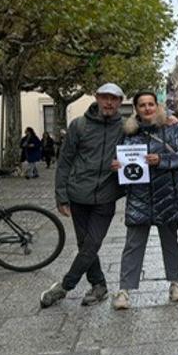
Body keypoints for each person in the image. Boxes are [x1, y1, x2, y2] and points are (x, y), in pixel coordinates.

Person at [41, 83, 128, 308]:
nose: (109, 102)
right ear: (97, 98)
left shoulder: (127, 127)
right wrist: (61, 196)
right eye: (105, 97)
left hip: (106, 196)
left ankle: (64, 287)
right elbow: (65, 161)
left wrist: (169, 119)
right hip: (78, 195)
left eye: (114, 98)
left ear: (120, 102)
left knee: (92, 244)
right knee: (84, 244)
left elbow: (152, 126)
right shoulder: (79, 125)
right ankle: (99, 285)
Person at [111, 91, 178, 310]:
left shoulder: (172, 128)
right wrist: (118, 166)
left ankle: (175, 283)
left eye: (151, 104)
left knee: (170, 241)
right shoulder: (128, 133)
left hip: (168, 193)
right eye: (142, 105)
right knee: (133, 244)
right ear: (136, 109)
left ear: (157, 106)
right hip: (139, 195)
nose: (147, 108)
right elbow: (119, 157)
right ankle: (124, 290)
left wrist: (162, 160)